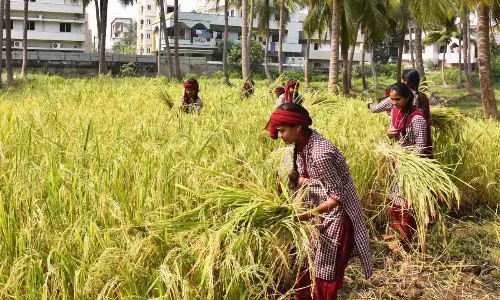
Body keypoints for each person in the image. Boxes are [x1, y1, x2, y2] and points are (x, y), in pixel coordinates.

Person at [265, 103, 373, 300]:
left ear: (298, 127)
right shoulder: (300, 144)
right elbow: (313, 179)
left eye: (282, 131)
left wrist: (304, 215)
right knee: (306, 265)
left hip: (336, 218)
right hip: (317, 213)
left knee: (325, 271)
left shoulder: (321, 152)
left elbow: (337, 198)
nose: (279, 136)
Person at [386, 83, 433, 247]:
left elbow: (421, 147)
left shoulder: (417, 118)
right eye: (391, 99)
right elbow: (392, 130)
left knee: (407, 204)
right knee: (394, 200)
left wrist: (405, 159)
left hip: (411, 168)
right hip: (398, 165)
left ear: (407, 98)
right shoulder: (396, 112)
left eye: (397, 99)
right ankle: (398, 232)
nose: (393, 103)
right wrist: (389, 134)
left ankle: (406, 239)